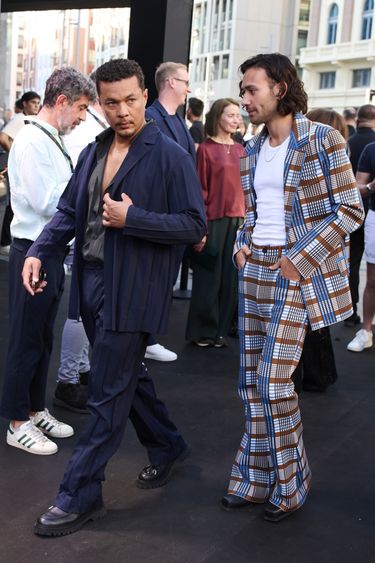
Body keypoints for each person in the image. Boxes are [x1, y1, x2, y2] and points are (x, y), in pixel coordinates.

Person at [23, 58, 206, 537]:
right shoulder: (95, 150)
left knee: (107, 393)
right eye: (110, 102)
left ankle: (79, 494)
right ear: (99, 104)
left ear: (145, 94)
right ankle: (167, 446)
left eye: (130, 99)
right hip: (93, 283)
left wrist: (136, 218)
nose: (122, 110)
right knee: (126, 377)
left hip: (136, 288)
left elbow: (194, 225)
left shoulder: (171, 155)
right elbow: (67, 212)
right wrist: (40, 250)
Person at [221, 53, 364, 522]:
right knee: (249, 383)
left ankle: (290, 486)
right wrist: (242, 244)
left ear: (280, 88)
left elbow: (349, 210)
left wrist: (298, 261)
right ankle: (254, 480)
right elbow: (255, 208)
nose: (245, 100)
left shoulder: (324, 140)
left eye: (251, 89)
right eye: (243, 91)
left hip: (294, 273)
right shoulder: (251, 148)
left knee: (272, 381)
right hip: (255, 269)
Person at [0, 68, 95, 456]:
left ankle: (34, 409)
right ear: (61, 102)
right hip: (33, 250)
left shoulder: (47, 138)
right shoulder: (33, 142)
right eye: (81, 108)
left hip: (47, 250)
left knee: (41, 336)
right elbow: (48, 202)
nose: (82, 117)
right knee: (26, 338)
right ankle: (16, 421)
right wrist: (86, 190)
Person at [54, 81, 109, 414]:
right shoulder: (85, 133)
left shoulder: (93, 128)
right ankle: (68, 380)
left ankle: (81, 370)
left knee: (86, 309)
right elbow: (76, 190)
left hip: (90, 233)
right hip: (82, 233)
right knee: (78, 312)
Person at [292, 108, 349, 393]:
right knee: (316, 317)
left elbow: (348, 209)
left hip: (310, 245)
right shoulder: (332, 149)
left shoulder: (321, 146)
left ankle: (316, 374)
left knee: (310, 317)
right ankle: (320, 374)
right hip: (323, 244)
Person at [145, 61, 196, 362]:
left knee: (164, 278)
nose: (189, 88)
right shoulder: (151, 118)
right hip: (161, 214)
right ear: (171, 83)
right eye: (186, 81)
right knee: (154, 278)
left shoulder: (178, 122)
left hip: (177, 215)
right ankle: (144, 338)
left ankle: (148, 337)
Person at [186, 98, 245, 347]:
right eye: (230, 114)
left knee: (230, 279)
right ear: (218, 117)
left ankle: (220, 330)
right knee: (208, 277)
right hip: (214, 220)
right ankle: (202, 331)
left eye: (237, 115)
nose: (236, 119)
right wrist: (201, 227)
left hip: (238, 220)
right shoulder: (206, 150)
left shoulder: (243, 150)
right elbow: (200, 189)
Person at [0, 91, 42, 256]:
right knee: (13, 204)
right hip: (17, 168)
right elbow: (3, 138)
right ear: (24, 104)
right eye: (33, 102)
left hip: (25, 168)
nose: (36, 105)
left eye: (38, 102)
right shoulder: (19, 119)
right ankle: (5, 241)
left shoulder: (32, 119)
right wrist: (15, 156)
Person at [345, 104, 375, 326]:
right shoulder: (370, 147)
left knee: (353, 262)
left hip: (353, 210)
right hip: (367, 211)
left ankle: (350, 311)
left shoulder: (350, 141)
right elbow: (361, 184)